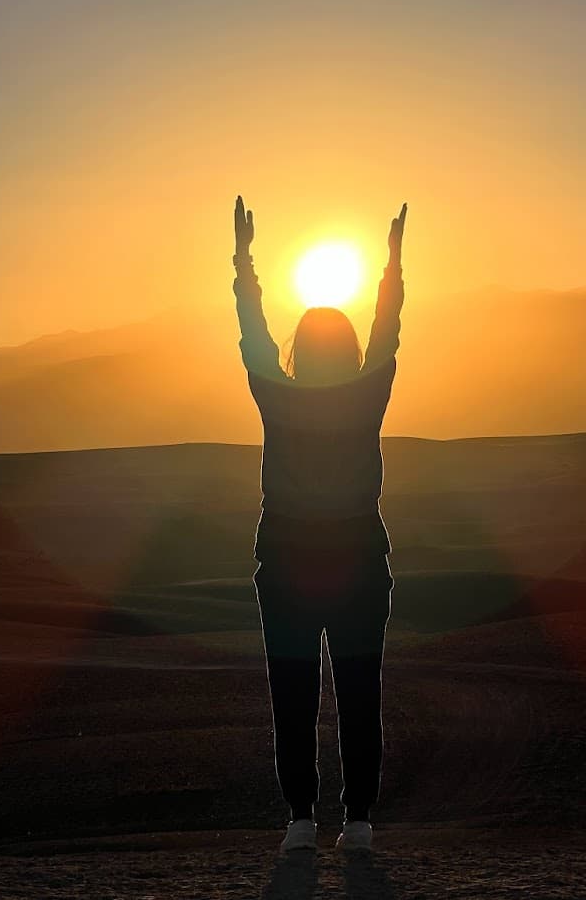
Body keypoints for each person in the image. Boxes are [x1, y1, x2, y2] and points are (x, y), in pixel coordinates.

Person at [232, 195, 406, 855]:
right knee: (361, 686)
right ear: (351, 350)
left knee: (293, 687)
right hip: (359, 553)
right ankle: (357, 820)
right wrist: (391, 268)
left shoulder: (276, 394)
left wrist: (244, 261)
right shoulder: (367, 394)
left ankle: (300, 818)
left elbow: (251, 334)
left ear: (298, 351)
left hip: (285, 556)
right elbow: (388, 331)